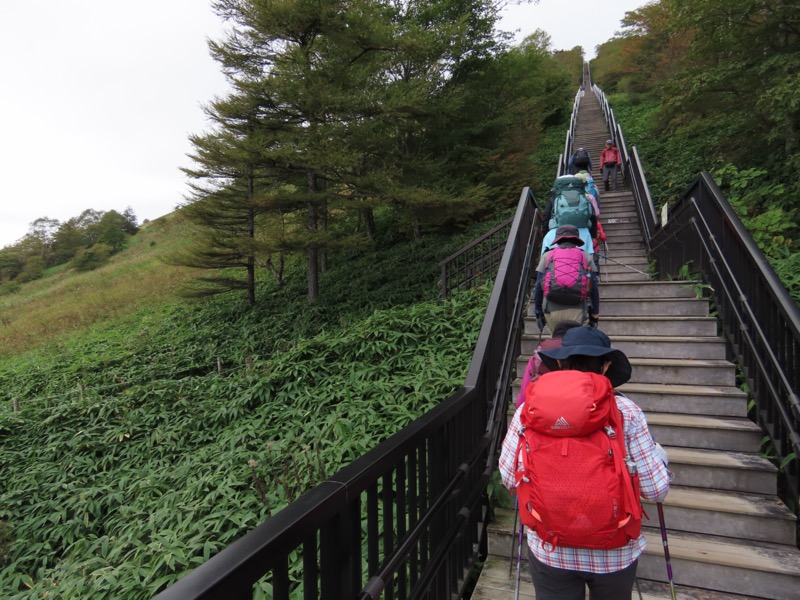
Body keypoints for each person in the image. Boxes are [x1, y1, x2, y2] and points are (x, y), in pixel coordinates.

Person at [499, 327, 671, 600]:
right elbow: (656, 489)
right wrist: (660, 460)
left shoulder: (528, 411)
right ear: (606, 365)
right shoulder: (626, 412)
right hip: (613, 554)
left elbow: (509, 477)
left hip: (550, 548)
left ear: (559, 362)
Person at [533, 225, 600, 332]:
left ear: (558, 239)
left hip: (551, 310)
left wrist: (538, 312)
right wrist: (594, 314)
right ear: (576, 239)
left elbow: (538, 286)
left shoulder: (547, 256)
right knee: (574, 344)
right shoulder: (586, 256)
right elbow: (594, 288)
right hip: (578, 310)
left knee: (556, 343)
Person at [515, 320, 582, 409]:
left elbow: (523, 397)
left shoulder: (539, 355)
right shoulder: (584, 356)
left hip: (542, 411)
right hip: (575, 411)